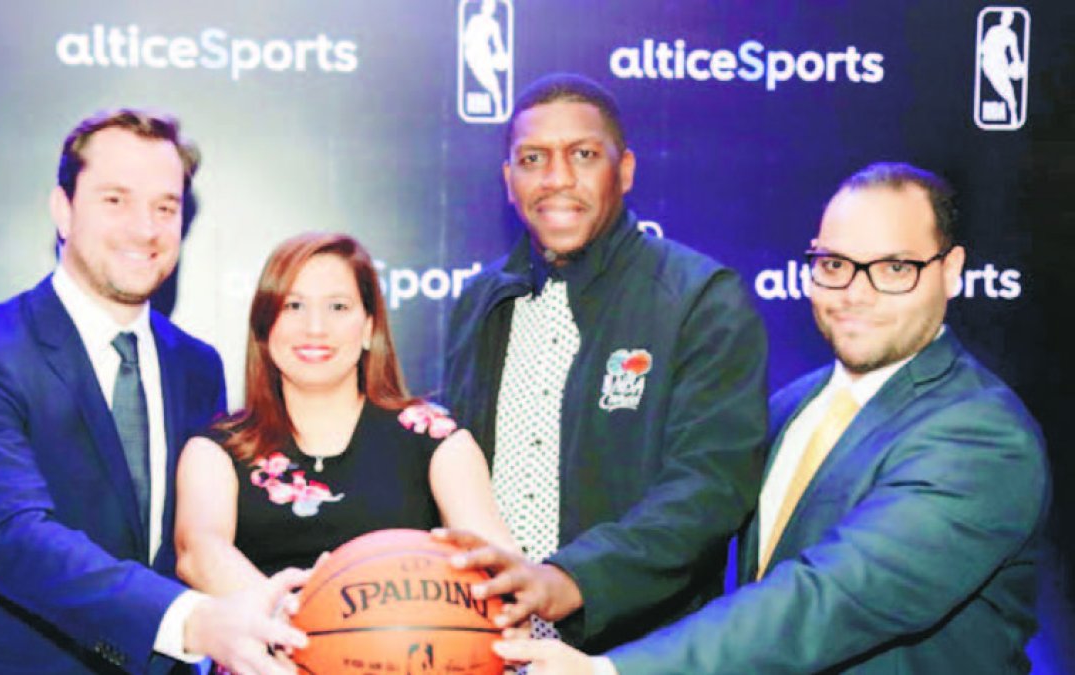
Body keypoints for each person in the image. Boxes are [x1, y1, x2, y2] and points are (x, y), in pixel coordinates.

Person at [493, 162, 1050, 674]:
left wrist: (614, 673)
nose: (855, 293)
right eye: (834, 264)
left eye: (894, 267)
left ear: (950, 271)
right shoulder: (794, 405)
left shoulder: (982, 437)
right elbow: (689, 520)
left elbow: (831, 596)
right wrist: (566, 580)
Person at [0, 109, 307, 675]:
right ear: (62, 210)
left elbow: (200, 536)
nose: (144, 228)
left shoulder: (196, 365)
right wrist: (192, 621)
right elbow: (16, 539)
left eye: (165, 207)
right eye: (115, 200)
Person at [439, 72, 769, 653]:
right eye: (533, 158)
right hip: (487, 647)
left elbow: (710, 487)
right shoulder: (480, 301)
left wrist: (572, 579)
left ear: (625, 171)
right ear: (508, 181)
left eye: (583, 155)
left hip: (640, 652)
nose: (556, 178)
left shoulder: (699, 298)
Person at [175, 233, 513, 598]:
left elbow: (501, 567)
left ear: (369, 327)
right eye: (293, 306)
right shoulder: (217, 452)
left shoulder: (438, 440)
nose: (315, 328)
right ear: (264, 327)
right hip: (265, 647)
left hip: (412, 649)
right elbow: (198, 552)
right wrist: (290, 624)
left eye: (338, 307)